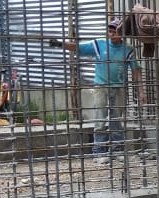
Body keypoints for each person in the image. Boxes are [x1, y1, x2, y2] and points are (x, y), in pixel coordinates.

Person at [49, 18, 143, 165]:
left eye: (115, 31)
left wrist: (141, 91)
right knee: (100, 119)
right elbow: (78, 47)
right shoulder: (100, 44)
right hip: (101, 87)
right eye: (109, 31)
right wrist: (61, 44)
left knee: (117, 121)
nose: (111, 34)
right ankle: (99, 152)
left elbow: (136, 70)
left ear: (122, 33)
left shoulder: (128, 49)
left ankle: (117, 151)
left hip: (119, 88)